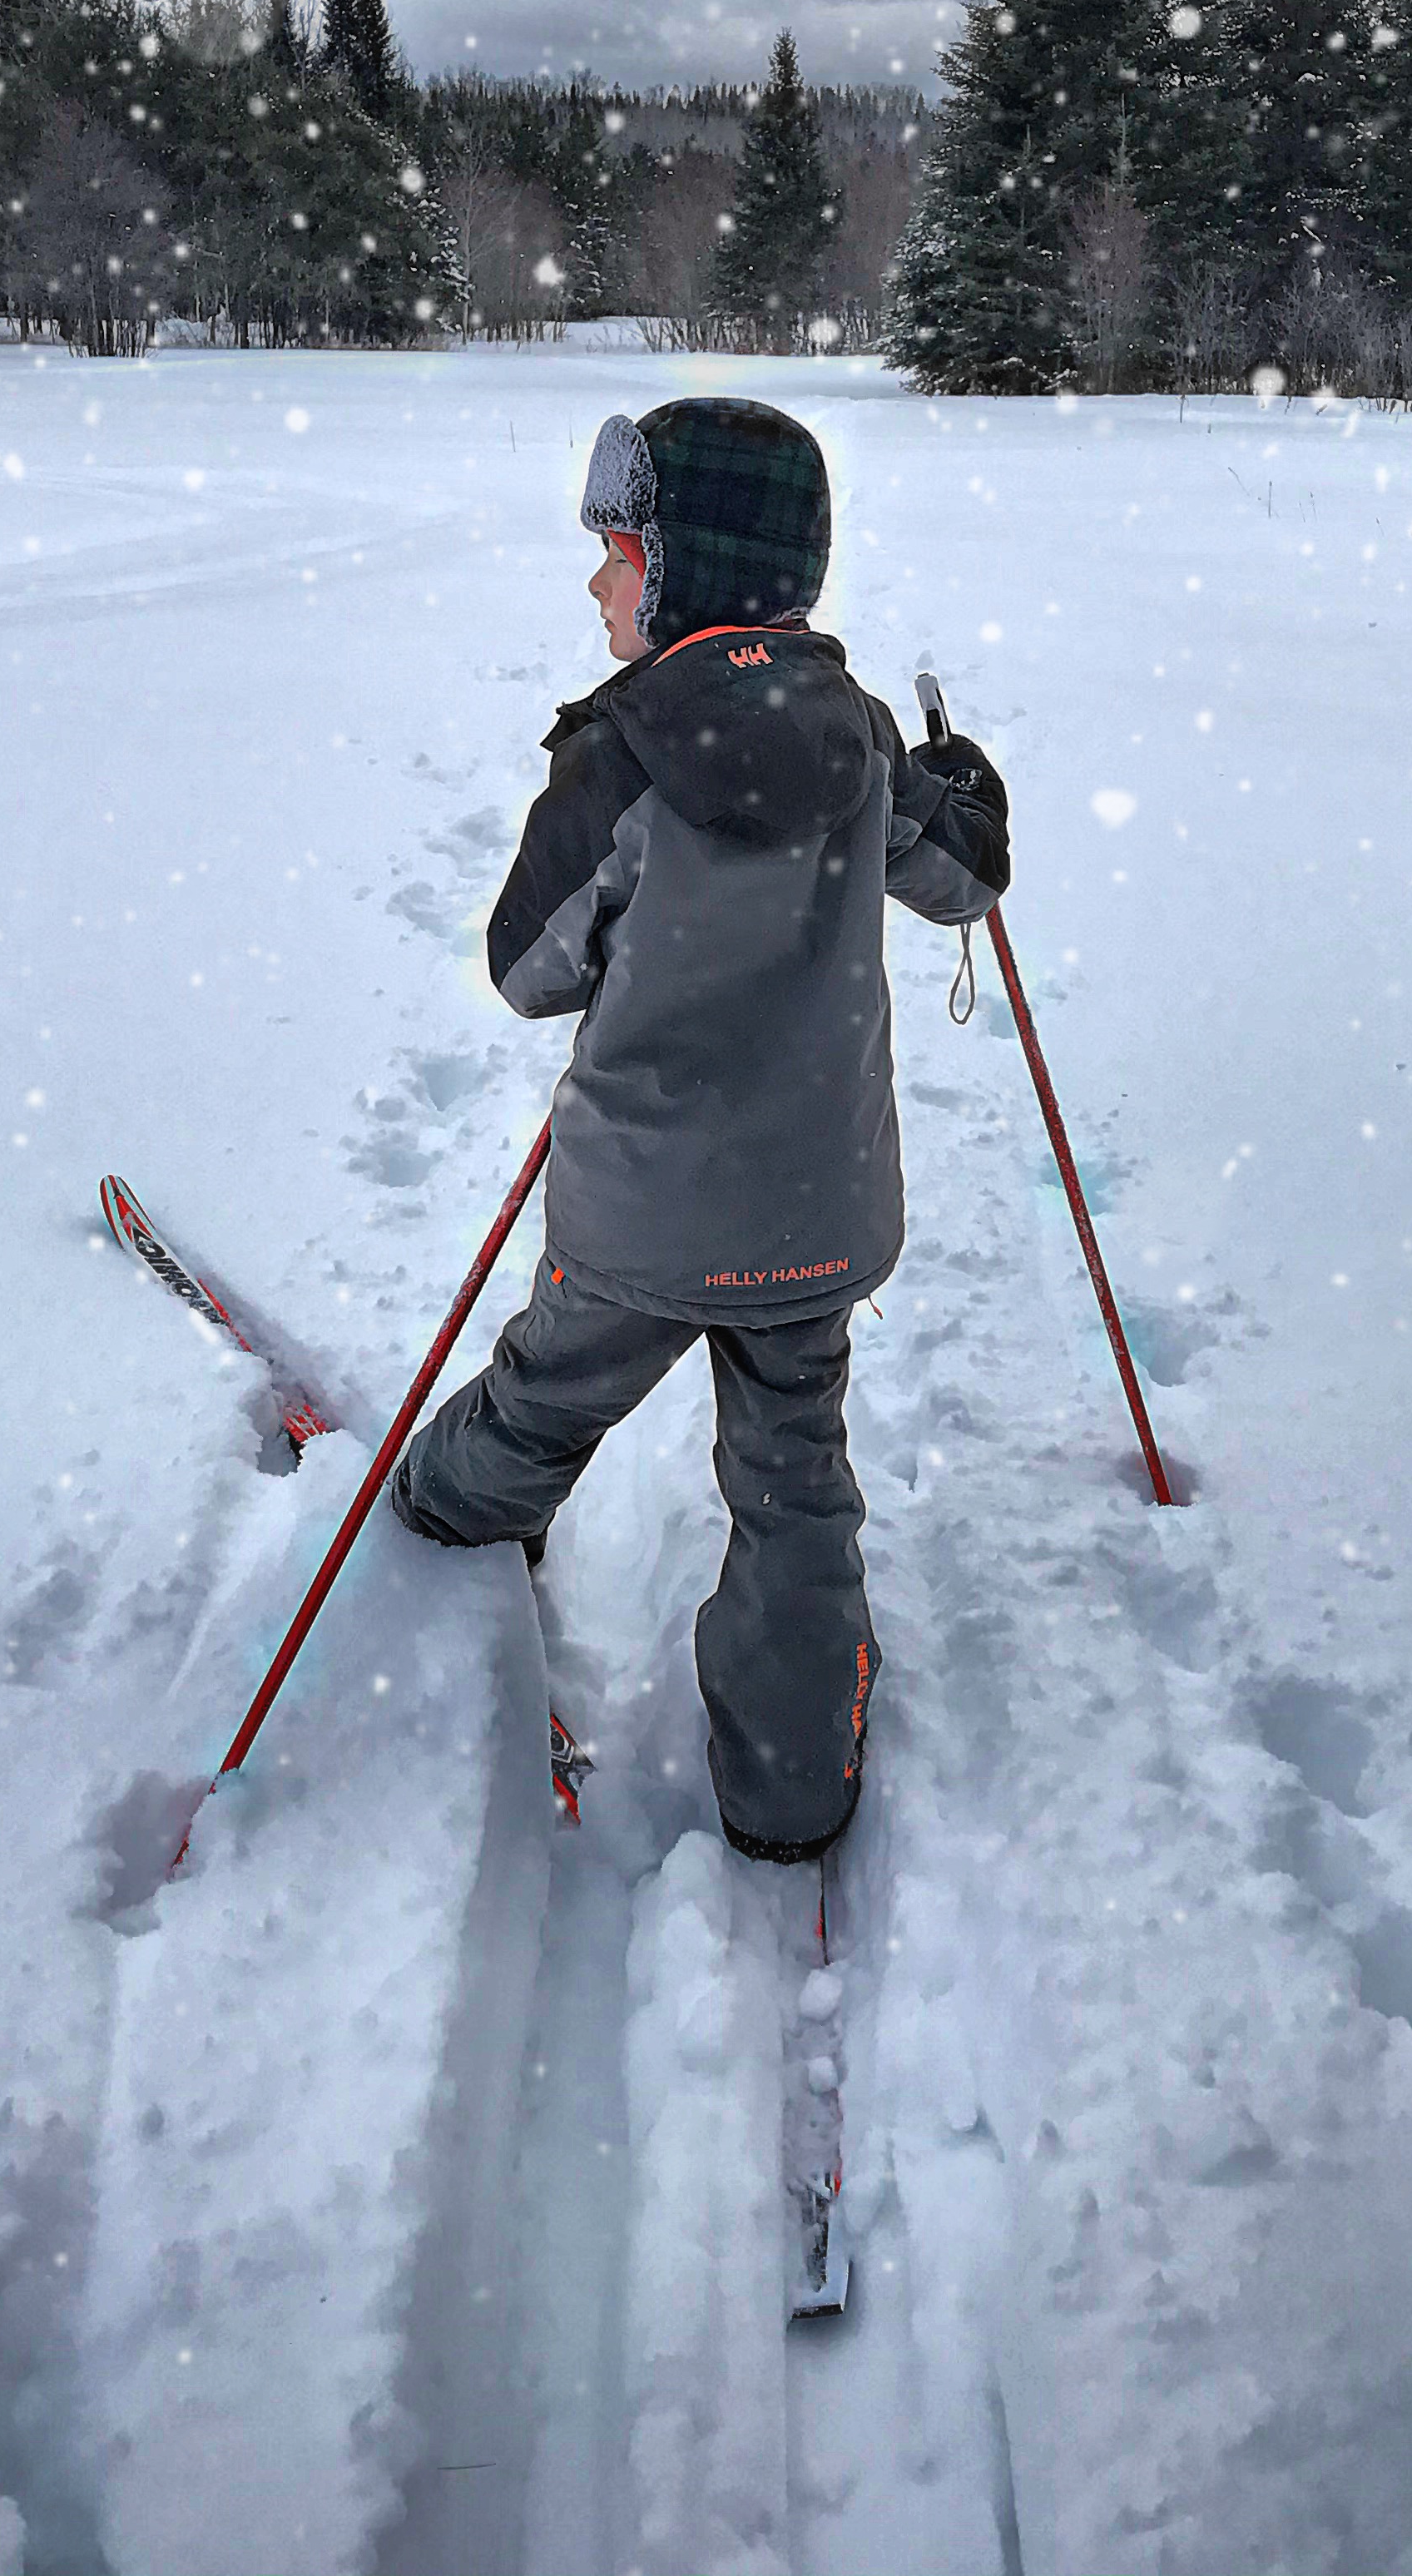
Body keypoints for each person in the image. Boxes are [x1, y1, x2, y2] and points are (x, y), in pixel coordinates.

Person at [389, 396, 1008, 1863]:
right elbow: (964, 879)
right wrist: (967, 787)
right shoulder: (860, 737)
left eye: (616, 551)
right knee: (795, 1480)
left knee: (543, 1406)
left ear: (684, 574)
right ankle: (792, 1787)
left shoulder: (622, 753)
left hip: (638, 1225)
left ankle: (425, 1536)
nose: (597, 581)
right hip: (816, 1216)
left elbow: (530, 971)